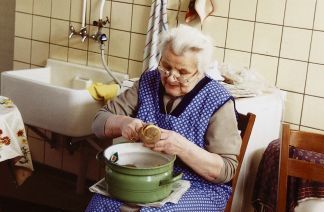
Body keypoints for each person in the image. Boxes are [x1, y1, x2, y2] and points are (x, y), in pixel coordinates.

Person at [86, 24, 241, 212]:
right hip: (145, 177)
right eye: (166, 66)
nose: (171, 77)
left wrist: (182, 147)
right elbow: (98, 122)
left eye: (182, 72)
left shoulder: (217, 100)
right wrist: (122, 123)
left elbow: (226, 170)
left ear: (200, 72)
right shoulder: (148, 81)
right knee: (100, 204)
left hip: (200, 187)